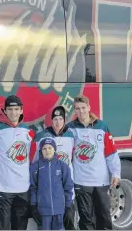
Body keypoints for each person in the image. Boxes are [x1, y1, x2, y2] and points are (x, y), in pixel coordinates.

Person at [67, 95, 121, 230]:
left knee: (104, 217)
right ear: (75, 110)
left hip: (101, 182)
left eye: (83, 108)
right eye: (77, 109)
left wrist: (116, 173)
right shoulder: (70, 129)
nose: (81, 111)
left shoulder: (102, 126)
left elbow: (111, 152)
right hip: (81, 182)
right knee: (86, 220)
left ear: (89, 107)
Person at [0, 95, 35, 230]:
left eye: (16, 109)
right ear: (4, 110)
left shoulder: (28, 131)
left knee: (20, 227)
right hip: (2, 189)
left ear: (21, 110)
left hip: (23, 189)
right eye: (10, 109)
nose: (13, 112)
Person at [32, 105, 77, 230]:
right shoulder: (42, 136)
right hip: (48, 192)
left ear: (64, 120)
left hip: (65, 189)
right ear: (51, 121)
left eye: (60, 119)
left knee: (68, 224)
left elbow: (74, 157)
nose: (58, 122)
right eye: (55, 119)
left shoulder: (72, 135)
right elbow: (36, 162)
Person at [30, 138, 74, 230]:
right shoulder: (35, 167)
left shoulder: (62, 166)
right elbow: (32, 188)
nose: (47, 151)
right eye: (44, 148)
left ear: (54, 149)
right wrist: (33, 206)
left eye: (50, 148)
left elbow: (68, 187)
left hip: (59, 210)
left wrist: (68, 206)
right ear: (41, 151)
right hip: (43, 211)